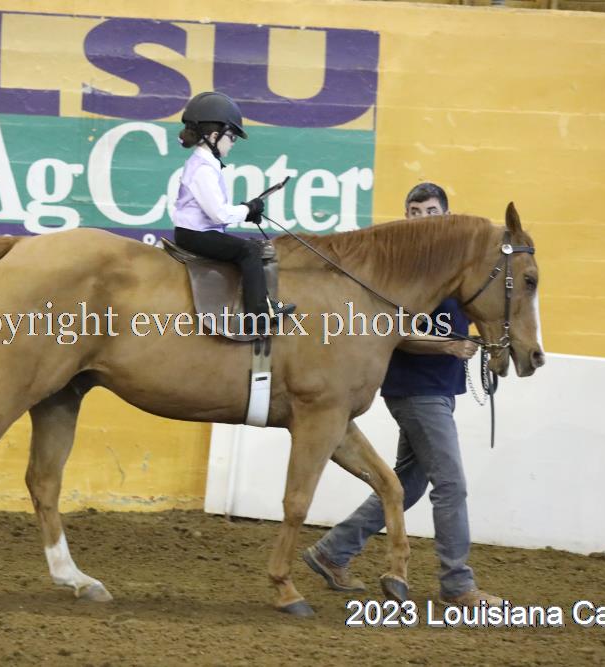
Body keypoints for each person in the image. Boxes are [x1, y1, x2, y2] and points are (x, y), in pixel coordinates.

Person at [302, 182, 502, 607]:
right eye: (415, 211)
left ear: (446, 216)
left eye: (431, 211)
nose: (422, 219)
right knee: (451, 484)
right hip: (416, 390)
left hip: (437, 389)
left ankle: (333, 551)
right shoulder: (406, 272)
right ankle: (457, 583)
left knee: (407, 485)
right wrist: (447, 346)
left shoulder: (451, 270)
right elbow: (390, 330)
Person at [171, 91, 294, 324]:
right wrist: (247, 209)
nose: (233, 142)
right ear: (214, 136)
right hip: (195, 235)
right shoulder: (203, 168)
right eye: (232, 136)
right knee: (249, 251)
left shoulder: (206, 164)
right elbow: (218, 214)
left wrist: (247, 211)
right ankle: (258, 314)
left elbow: (218, 212)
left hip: (198, 232)